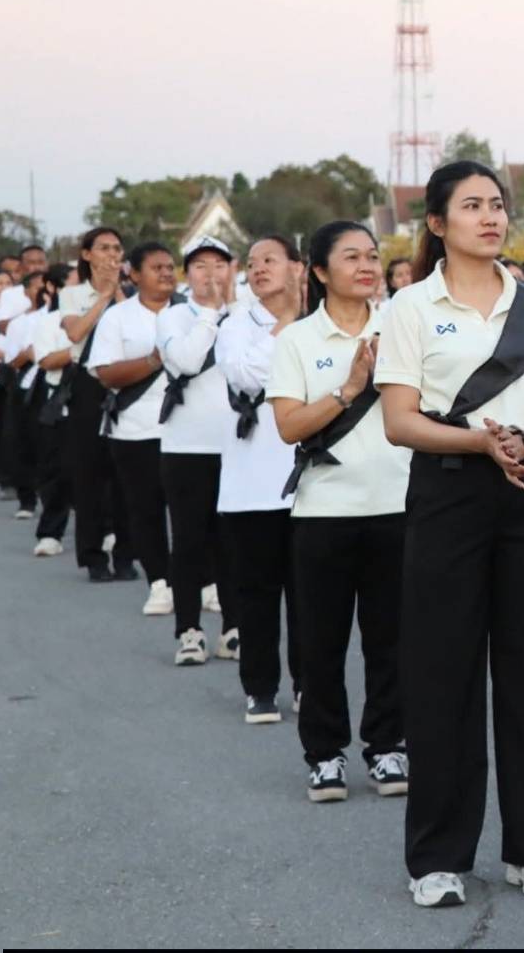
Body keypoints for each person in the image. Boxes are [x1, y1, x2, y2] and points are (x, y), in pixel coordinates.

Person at [377, 160, 524, 909]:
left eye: (497, 204)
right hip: (449, 492)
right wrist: (478, 443)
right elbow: (400, 421)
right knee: (443, 676)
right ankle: (438, 857)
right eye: (472, 206)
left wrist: (523, 443)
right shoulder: (410, 306)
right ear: (437, 223)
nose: (491, 216)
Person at [271, 221, 411, 804]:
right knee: (321, 642)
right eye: (351, 257)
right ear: (321, 272)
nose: (367, 266)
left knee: (392, 641)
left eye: (373, 255)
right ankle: (325, 755)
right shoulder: (297, 340)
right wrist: (349, 388)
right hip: (324, 511)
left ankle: (388, 746)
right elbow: (288, 426)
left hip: (399, 504)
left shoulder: (403, 327)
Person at [217, 235, 304, 724]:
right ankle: (260, 687)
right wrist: (287, 324)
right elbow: (246, 376)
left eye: (270, 260)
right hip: (251, 482)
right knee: (256, 593)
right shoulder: (235, 323)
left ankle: (309, 683)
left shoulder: (323, 319)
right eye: (251, 263)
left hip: (310, 480)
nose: (258, 269)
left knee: (310, 595)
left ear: (298, 267)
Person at [156, 236, 238, 666]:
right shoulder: (172, 316)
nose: (211, 274)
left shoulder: (244, 316)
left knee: (233, 543)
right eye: (201, 266)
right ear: (187, 274)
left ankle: (233, 628)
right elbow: (187, 361)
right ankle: (189, 630)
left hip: (237, 446)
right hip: (186, 447)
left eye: (219, 265)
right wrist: (209, 312)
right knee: (188, 542)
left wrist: (228, 310)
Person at [88, 242, 177, 616]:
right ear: (135, 275)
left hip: (188, 431)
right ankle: (160, 583)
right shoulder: (118, 317)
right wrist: (153, 361)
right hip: (136, 430)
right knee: (145, 511)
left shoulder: (191, 312)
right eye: (157, 268)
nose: (166, 273)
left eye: (170, 267)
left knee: (196, 514)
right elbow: (105, 373)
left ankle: (204, 582)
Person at [60, 228, 136, 582]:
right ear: (87, 254)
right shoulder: (72, 294)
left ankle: (126, 554)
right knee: (89, 472)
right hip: (88, 384)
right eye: (103, 248)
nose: (111, 255)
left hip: (126, 382)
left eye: (117, 249)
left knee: (126, 473)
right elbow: (75, 333)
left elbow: (134, 331)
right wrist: (103, 296)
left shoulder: (133, 294)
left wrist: (118, 292)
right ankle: (92, 556)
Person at [28, 265, 76, 556]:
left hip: (97, 404)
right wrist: (79, 348)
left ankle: (107, 529)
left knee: (103, 473)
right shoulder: (48, 322)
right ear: (54, 288)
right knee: (56, 472)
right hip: (62, 404)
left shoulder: (104, 315)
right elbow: (46, 361)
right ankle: (50, 533)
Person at [0, 270, 52, 519]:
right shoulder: (20, 323)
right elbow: (12, 361)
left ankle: (55, 498)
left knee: (53, 445)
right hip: (28, 387)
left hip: (56, 385)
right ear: (27, 291)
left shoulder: (58, 317)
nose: (42, 291)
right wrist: (30, 353)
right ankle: (27, 500)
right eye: (37, 287)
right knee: (25, 441)